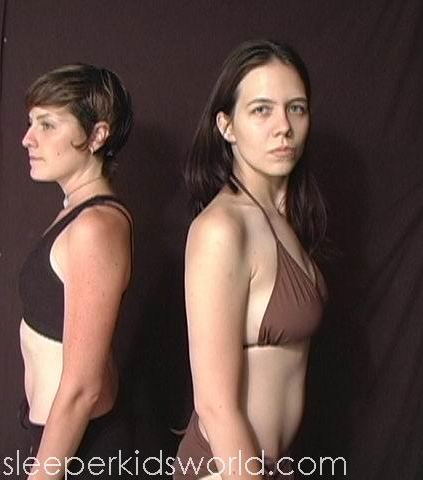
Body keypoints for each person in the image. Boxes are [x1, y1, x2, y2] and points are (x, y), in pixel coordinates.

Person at [174, 40, 328, 480]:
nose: (284, 127)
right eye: (262, 110)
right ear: (227, 126)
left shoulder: (282, 220)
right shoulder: (222, 228)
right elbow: (215, 406)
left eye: (296, 108)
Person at [18, 63, 133, 479]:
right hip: (63, 444)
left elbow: (84, 385)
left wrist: (44, 474)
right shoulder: (76, 214)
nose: (28, 138)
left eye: (47, 124)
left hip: (81, 453)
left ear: (97, 135)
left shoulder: (95, 227)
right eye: (31, 122)